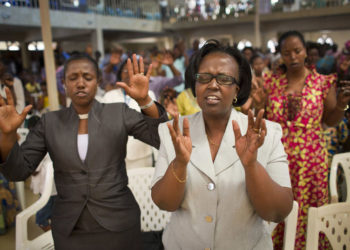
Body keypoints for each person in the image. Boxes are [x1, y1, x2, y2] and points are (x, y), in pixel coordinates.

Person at [0, 54, 167, 249]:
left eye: (87, 77)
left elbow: (160, 139)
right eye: (73, 78)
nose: (80, 83)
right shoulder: (49, 122)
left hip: (118, 222)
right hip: (70, 228)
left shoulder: (118, 113)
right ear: (64, 83)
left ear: (98, 81)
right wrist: (7, 137)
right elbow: (17, 171)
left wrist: (145, 101)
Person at [151, 40, 293, 249]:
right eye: (204, 78)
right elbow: (164, 203)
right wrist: (180, 163)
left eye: (224, 79)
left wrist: (251, 165)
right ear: (195, 85)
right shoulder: (173, 131)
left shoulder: (266, 133)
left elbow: (278, 212)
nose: (213, 84)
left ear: (237, 89)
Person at [253, 30, 350, 249]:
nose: (293, 57)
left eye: (297, 51)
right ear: (281, 56)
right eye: (287, 53)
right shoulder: (271, 84)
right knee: (278, 211)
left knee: (310, 213)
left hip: (311, 164)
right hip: (277, 161)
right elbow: (265, 121)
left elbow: (330, 120)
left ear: (305, 51)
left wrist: (342, 105)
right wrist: (259, 106)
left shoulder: (323, 83)